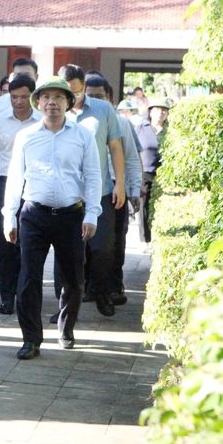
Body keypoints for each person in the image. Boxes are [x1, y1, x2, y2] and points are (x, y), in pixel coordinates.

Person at [3, 77, 101, 358]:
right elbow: (14, 177)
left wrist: (92, 212)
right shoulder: (27, 135)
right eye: (46, 97)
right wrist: (9, 216)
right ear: (39, 103)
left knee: (73, 279)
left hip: (71, 216)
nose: (52, 103)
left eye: (59, 97)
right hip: (34, 214)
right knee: (28, 279)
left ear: (68, 103)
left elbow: (93, 175)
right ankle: (31, 339)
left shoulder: (82, 136)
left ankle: (66, 328)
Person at [56, 64, 124, 318]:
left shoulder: (103, 110)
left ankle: (101, 291)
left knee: (102, 248)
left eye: (75, 91)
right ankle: (64, 305)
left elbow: (115, 148)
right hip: (66, 195)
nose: (70, 97)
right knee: (65, 251)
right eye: (66, 91)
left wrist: (119, 183)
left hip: (101, 191)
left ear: (84, 86)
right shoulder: (53, 111)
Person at [0, 57, 39, 294]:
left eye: (24, 97)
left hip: (32, 184)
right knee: (4, 242)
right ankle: (6, 295)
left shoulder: (41, 122)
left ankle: (27, 292)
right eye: (14, 97)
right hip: (2, 183)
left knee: (28, 242)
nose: (19, 102)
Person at [84, 76, 143, 305]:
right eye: (90, 96)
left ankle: (113, 287)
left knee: (115, 242)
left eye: (100, 96)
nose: (95, 100)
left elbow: (131, 157)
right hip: (91, 191)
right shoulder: (80, 122)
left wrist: (135, 188)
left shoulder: (122, 123)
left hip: (116, 191)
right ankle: (91, 287)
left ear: (110, 99)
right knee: (90, 243)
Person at [135, 98, 170, 244]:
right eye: (157, 110)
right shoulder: (140, 128)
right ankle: (144, 240)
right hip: (146, 173)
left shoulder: (170, 130)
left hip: (164, 174)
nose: (161, 113)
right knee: (144, 207)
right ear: (150, 112)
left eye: (164, 110)